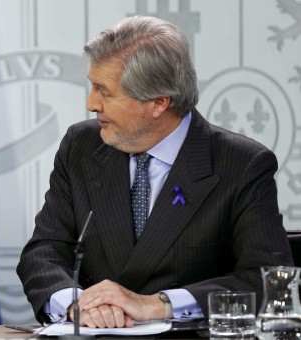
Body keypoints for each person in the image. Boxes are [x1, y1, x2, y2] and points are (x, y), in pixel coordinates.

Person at [17, 16, 293, 328]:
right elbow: (43, 253)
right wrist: (78, 304)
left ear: (158, 103)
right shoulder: (80, 146)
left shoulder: (242, 163)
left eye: (103, 91)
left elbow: (269, 283)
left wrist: (157, 304)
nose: (91, 104)